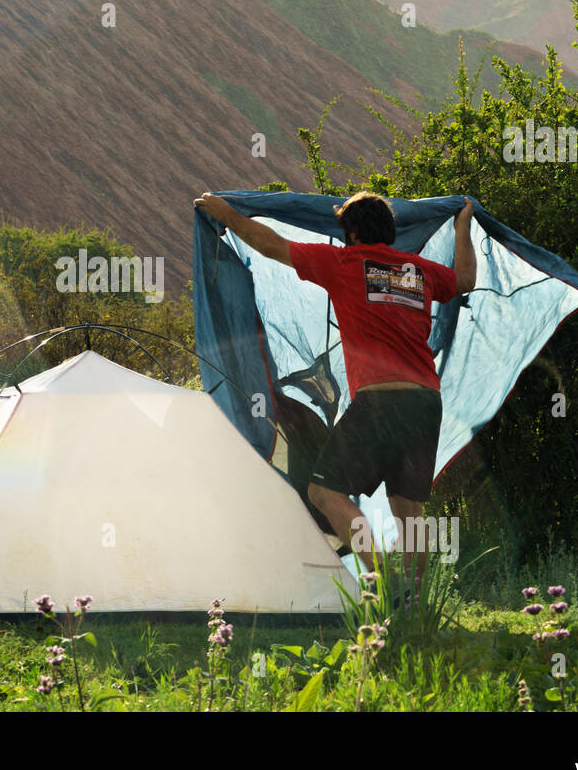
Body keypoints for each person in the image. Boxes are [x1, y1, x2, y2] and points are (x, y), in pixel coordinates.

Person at [192, 191, 477, 585]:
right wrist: (463, 226)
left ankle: (383, 578)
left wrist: (227, 214)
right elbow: (465, 280)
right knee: (408, 508)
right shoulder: (419, 271)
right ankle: (414, 604)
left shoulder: (344, 263)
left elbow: (272, 245)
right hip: (425, 400)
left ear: (353, 232)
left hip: (381, 398)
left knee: (325, 493)